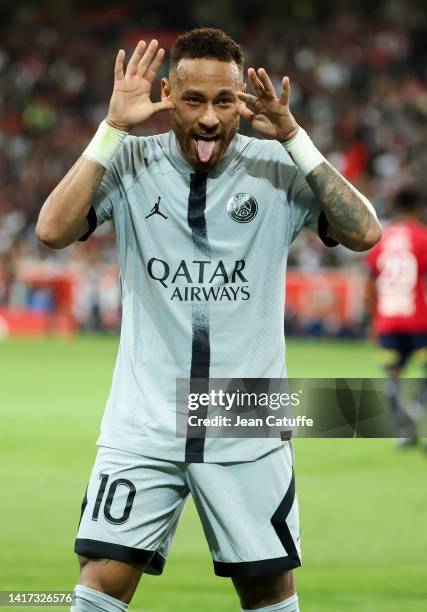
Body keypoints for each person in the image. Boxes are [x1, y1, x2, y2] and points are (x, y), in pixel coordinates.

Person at [36, 28, 381, 612]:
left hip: (245, 413)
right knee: (100, 581)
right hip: (143, 417)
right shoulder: (129, 161)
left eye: (224, 101)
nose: (209, 118)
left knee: (268, 589)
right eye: (193, 100)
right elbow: (51, 231)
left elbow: (365, 232)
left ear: (243, 98)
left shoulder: (277, 167)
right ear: (167, 93)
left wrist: (295, 135)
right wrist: (111, 127)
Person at [365, 188, 427, 447]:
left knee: (393, 376)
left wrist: (372, 321)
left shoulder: (382, 238)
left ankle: (402, 432)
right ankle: (415, 408)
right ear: (417, 207)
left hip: (388, 320)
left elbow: (370, 285)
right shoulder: (422, 238)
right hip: (417, 320)